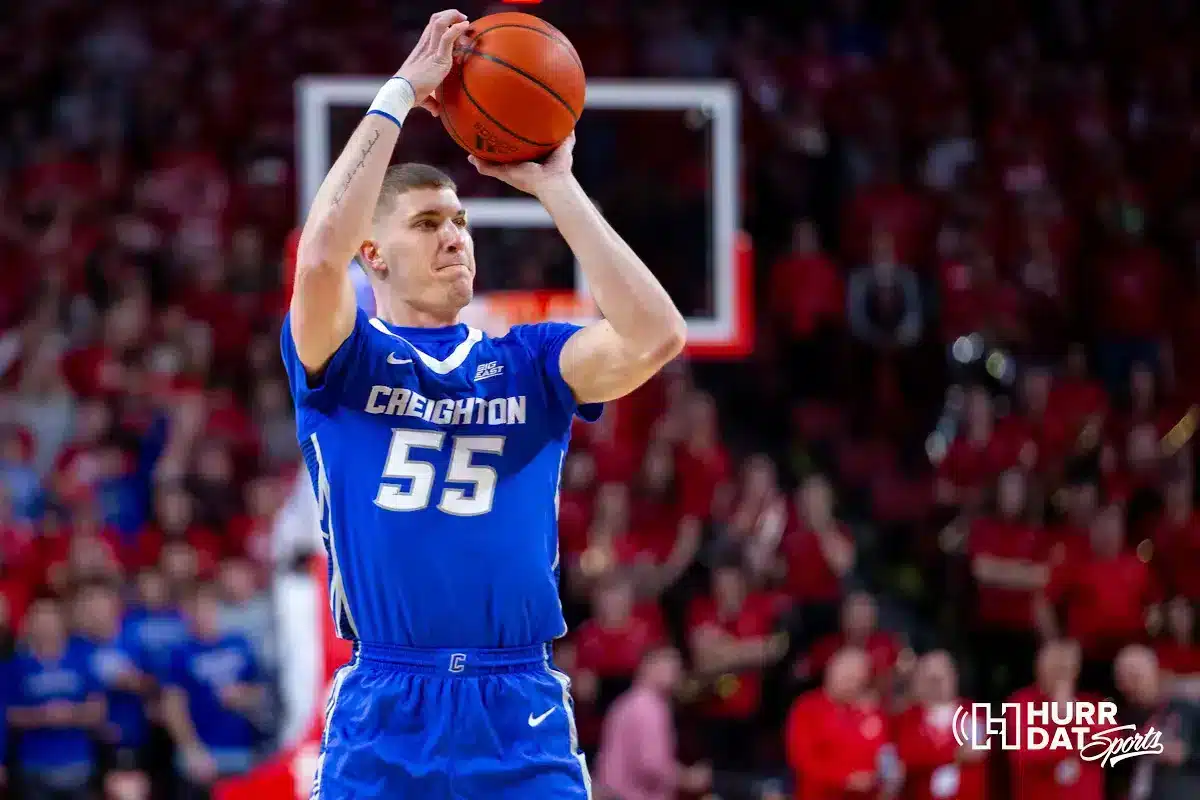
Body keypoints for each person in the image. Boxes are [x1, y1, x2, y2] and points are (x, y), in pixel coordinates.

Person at [280, 9, 688, 798]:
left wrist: (557, 185)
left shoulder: (529, 360)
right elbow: (321, 252)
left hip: (518, 704)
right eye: (429, 223)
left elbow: (656, 336)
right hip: (388, 704)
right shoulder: (347, 358)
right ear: (377, 258)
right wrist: (403, 90)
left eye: (461, 222)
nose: (456, 237)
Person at [593, 647, 711, 800]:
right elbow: (652, 765)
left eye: (677, 666)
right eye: (668, 664)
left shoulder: (627, 701)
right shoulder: (649, 706)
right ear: (647, 666)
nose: (675, 671)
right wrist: (690, 779)